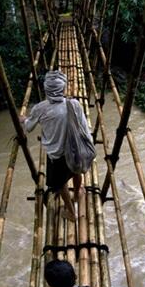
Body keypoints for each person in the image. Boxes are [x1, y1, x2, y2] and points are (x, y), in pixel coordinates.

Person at [19, 70, 90, 222]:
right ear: (63, 89)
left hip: (56, 155)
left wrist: (24, 120)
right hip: (75, 149)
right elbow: (84, 128)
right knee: (76, 171)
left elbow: (29, 127)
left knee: (60, 183)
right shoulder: (74, 104)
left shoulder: (40, 108)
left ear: (46, 90)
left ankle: (71, 213)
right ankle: (78, 193)